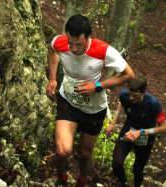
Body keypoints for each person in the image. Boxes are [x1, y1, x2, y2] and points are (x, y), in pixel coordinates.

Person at [46, 14, 135, 187]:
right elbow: (52, 49)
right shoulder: (60, 42)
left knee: (86, 153)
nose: (73, 48)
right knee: (63, 151)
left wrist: (98, 86)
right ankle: (62, 179)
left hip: (93, 109)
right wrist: (52, 78)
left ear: (88, 37)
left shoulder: (104, 51)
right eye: (70, 43)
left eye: (78, 44)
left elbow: (129, 75)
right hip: (68, 102)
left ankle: (81, 181)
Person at [107, 77, 166, 187]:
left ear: (144, 92)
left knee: (137, 170)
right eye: (130, 94)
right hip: (128, 131)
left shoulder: (153, 104)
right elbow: (121, 104)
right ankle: (124, 183)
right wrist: (113, 122)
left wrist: (141, 132)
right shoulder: (124, 96)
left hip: (145, 139)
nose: (131, 98)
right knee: (116, 165)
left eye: (135, 96)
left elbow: (163, 128)